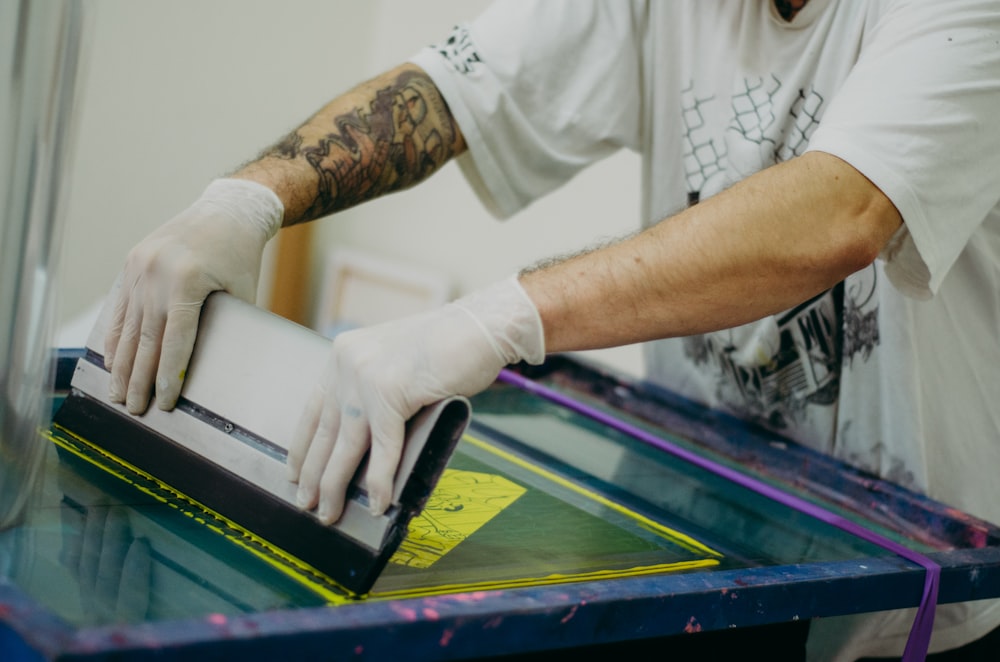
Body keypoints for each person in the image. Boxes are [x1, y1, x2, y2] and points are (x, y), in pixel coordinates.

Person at [100, 1, 1000, 659]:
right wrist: (249, 198)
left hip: (921, 583)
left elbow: (840, 211)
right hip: (722, 552)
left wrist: (498, 318)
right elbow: (452, 89)